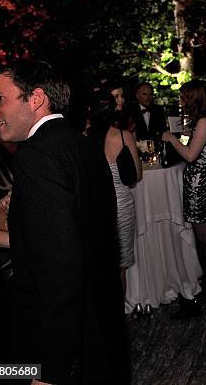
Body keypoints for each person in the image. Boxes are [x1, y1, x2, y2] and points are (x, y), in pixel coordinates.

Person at [0, 60, 128, 384]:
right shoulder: (83, 144)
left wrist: (51, 369)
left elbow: (60, 268)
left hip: (54, 346)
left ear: (35, 99)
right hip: (97, 329)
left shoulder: (36, 155)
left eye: (0, 99)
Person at [162, 80, 206, 318]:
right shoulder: (199, 122)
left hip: (201, 183)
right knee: (202, 239)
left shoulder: (204, 121)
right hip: (195, 182)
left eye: (184, 98)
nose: (181, 102)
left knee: (205, 241)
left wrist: (172, 140)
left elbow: (192, 155)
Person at [87, 89, 142, 302]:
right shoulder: (124, 136)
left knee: (99, 265)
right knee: (120, 267)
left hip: (95, 207)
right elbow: (136, 175)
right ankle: (118, 318)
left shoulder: (84, 139)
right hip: (121, 208)